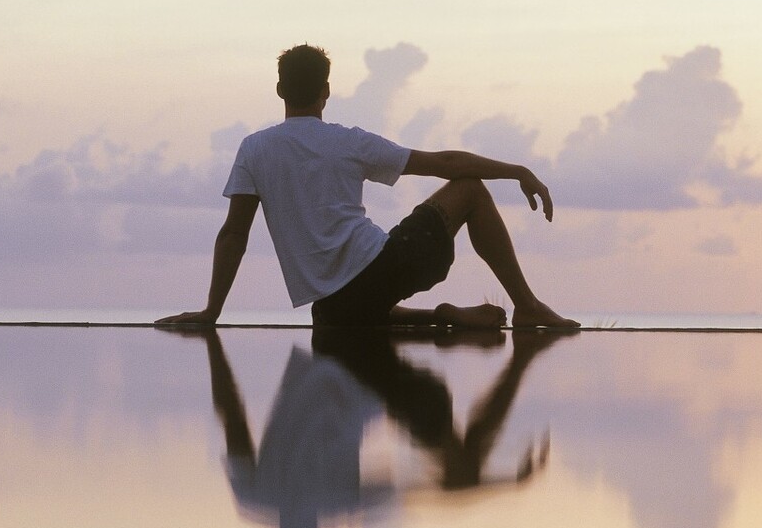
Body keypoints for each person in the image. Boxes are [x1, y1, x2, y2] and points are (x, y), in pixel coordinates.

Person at [157, 44, 578, 329]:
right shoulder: (349, 142)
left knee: (353, 304)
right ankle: (524, 305)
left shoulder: (254, 150)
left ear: (281, 89)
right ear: (325, 92)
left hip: (329, 307)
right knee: (469, 189)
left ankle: (440, 315)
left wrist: (212, 312)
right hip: (382, 272)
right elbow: (446, 164)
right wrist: (517, 170)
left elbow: (234, 234)